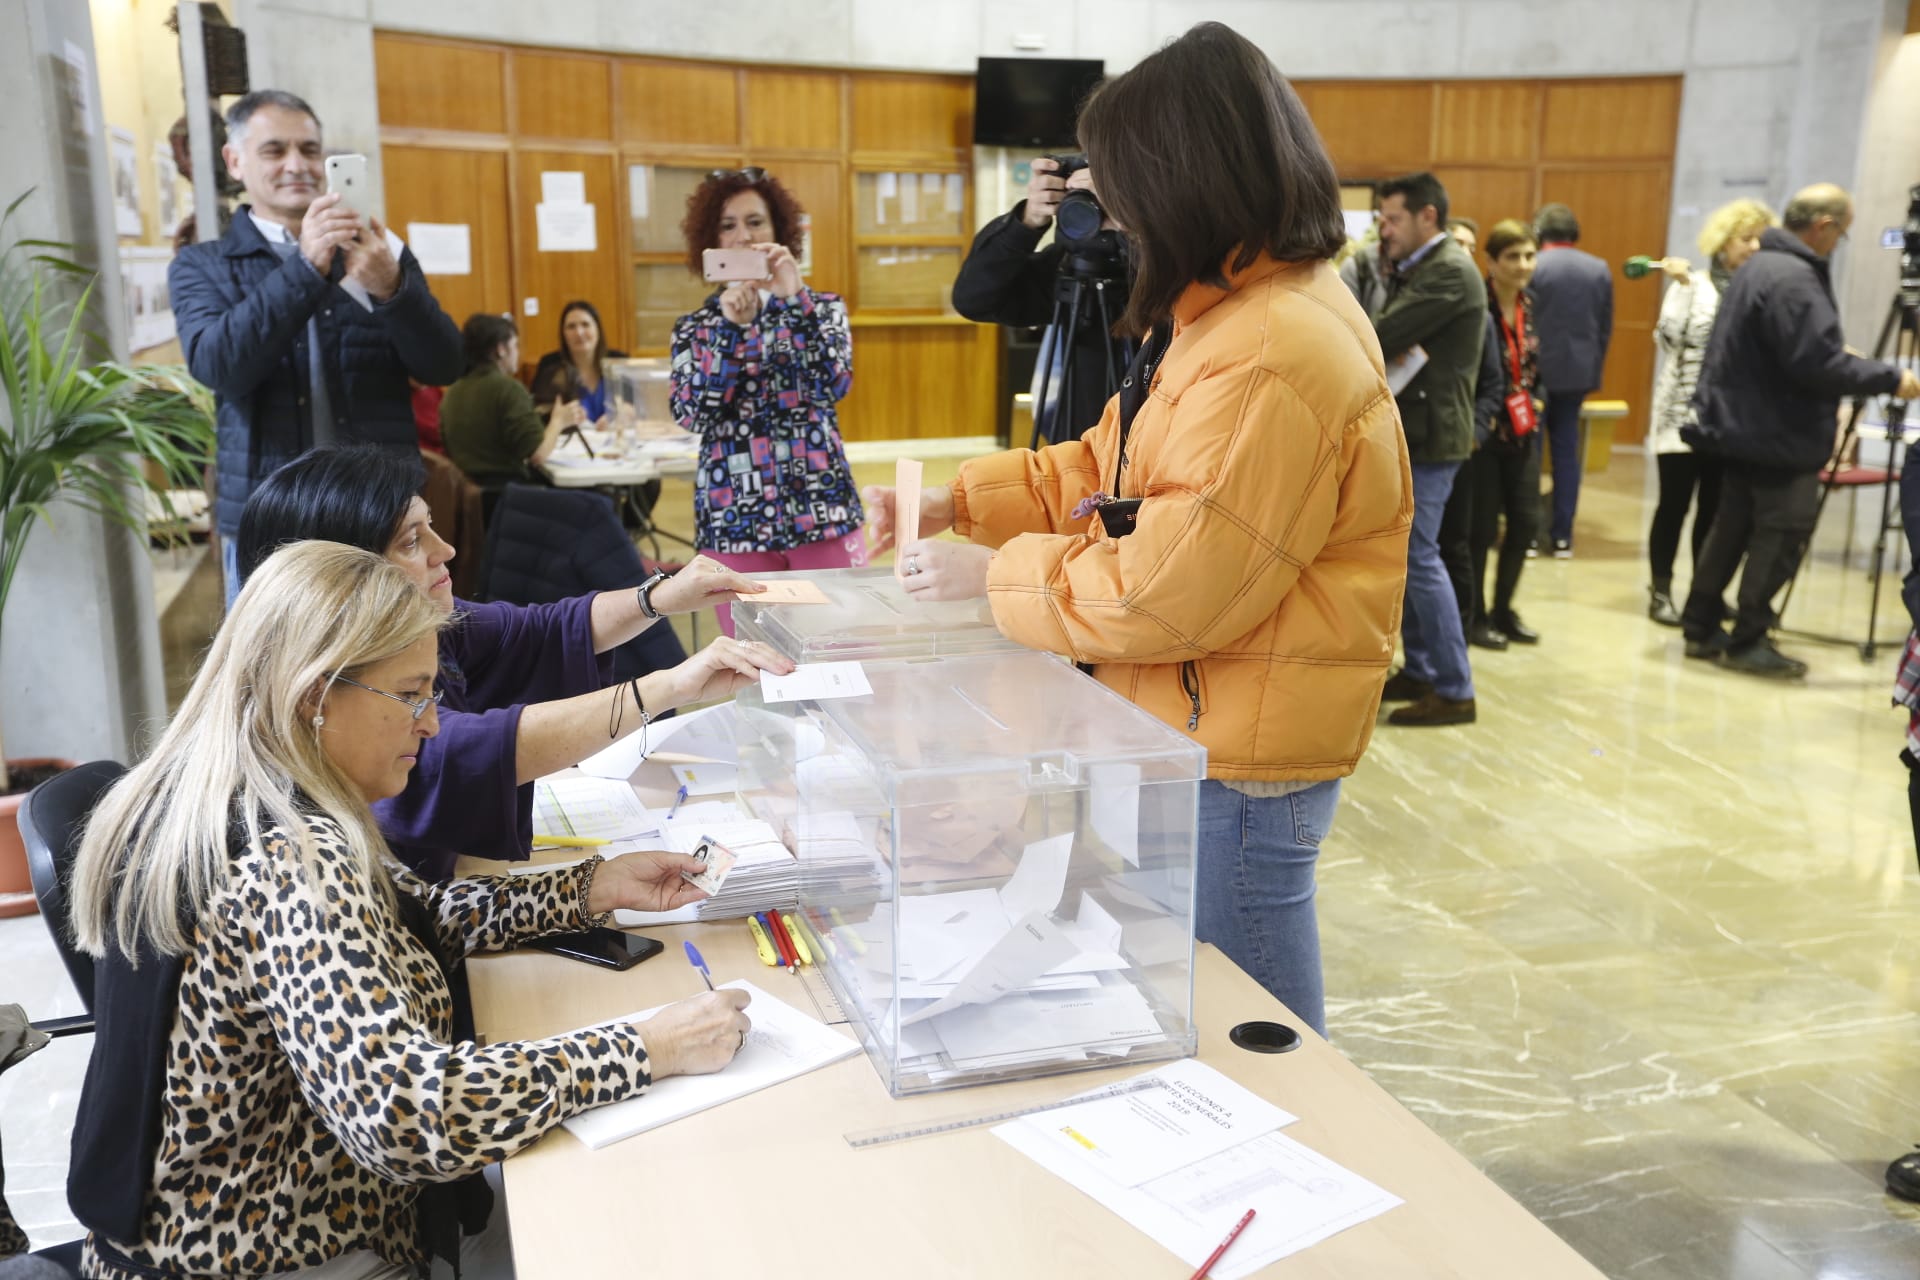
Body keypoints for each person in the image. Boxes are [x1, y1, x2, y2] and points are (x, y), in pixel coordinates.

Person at [861, 21, 1410, 1035]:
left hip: (1240, 752)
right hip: (1206, 721)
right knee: (1194, 996)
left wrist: (992, 576)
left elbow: (1162, 588)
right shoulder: (1229, 316)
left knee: (1255, 1034)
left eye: (1119, 191)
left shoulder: (1269, 349)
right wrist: (959, 503)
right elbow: (1108, 465)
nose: (1109, 219)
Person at [64, 541, 753, 1280]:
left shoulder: (231, 791)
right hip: (282, 1257)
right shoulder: (291, 864)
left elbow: (407, 917)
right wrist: (646, 1047)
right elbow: (410, 1112)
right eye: (413, 695)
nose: (430, 724)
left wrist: (590, 888)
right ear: (315, 697)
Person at [236, 446, 791, 880]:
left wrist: (660, 596)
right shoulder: (312, 829)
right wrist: (666, 687)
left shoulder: (423, 629)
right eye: (411, 542)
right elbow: (459, 753)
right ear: (335, 576)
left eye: (429, 526)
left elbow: (540, 629)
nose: (444, 550)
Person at [168, 89, 463, 606]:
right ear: (234, 161)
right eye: (274, 150)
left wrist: (393, 289)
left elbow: (444, 363)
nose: (296, 165)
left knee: (401, 670)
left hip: (382, 516)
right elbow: (219, 367)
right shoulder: (203, 265)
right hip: (269, 519)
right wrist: (305, 267)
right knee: (278, 678)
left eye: (309, 150)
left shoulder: (378, 251)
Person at [1679, 184, 1920, 677]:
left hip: (1745, 429)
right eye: (1842, 235)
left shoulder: (1759, 267)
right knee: (1782, 532)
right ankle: (1749, 638)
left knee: (1732, 528)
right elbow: (1815, 365)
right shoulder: (1793, 277)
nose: (1838, 244)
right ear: (1824, 227)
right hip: (1779, 435)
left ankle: (1700, 626)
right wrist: (1891, 377)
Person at [670, 168, 865, 633]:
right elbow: (692, 412)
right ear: (711, 240)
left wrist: (793, 299)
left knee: (841, 648)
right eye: (728, 225)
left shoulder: (821, 308)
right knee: (755, 661)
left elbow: (834, 382)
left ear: (780, 231)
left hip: (822, 509)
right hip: (733, 517)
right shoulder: (696, 328)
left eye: (756, 222)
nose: (743, 236)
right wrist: (732, 335)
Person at [1372, 172, 1486, 727]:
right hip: (1415, 433)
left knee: (1420, 558)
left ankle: (1454, 687)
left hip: (1432, 438)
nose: (1384, 229)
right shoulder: (1421, 268)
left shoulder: (1449, 274)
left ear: (1428, 217)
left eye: (1393, 218)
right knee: (1407, 557)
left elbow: (1380, 333)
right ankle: (1420, 668)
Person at [1644, 199, 1776, 625]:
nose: (1754, 246)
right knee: (1674, 506)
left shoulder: (1759, 291)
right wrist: (1680, 289)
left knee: (1716, 512)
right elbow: (1668, 341)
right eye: (1746, 238)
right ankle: (1660, 589)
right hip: (1681, 418)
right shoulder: (1692, 284)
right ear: (1722, 243)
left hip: (1728, 423)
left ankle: (1705, 593)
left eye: (1760, 238)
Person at [952, 156, 1134, 445]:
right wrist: (1027, 220)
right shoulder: (1069, 265)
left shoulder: (1182, 265)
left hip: (1158, 455)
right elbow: (973, 299)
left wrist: (1133, 225)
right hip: (1077, 447)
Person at [1470, 220, 1545, 646]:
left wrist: (1540, 399)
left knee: (1524, 525)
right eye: (1513, 256)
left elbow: (1535, 368)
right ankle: (1477, 616)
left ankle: (1504, 609)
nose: (1523, 265)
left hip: (1523, 433)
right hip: (1486, 437)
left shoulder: (1530, 306)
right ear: (1492, 262)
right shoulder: (1477, 305)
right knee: (1481, 530)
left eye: (1529, 256)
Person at [1529, 202, 1613, 557]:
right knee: (1566, 452)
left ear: (1540, 232)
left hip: (1534, 374)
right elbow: (1604, 327)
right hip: (1577, 373)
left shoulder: (1532, 265)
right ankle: (1563, 535)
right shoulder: (1598, 269)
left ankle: (1530, 535)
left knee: (1530, 454)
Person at [440, 312, 562, 501]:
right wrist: (558, 421)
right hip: (510, 500)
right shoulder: (508, 389)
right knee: (599, 506)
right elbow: (538, 455)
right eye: (515, 345)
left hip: (469, 501)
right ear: (501, 349)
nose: (518, 353)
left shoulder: (453, 393)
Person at [1439, 217, 1492, 646]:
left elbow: (1493, 383)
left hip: (1463, 443)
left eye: (1469, 245)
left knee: (1458, 543)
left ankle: (1466, 626)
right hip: (1431, 442)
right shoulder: (1433, 300)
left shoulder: (1479, 313)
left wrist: (1476, 431)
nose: (1463, 251)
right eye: (1456, 242)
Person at [530, 299, 627, 429]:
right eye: (571, 327)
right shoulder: (550, 366)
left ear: (598, 329)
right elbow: (539, 414)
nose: (579, 333)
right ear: (563, 334)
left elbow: (636, 406)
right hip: (568, 444)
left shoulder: (619, 361)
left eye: (585, 325)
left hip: (614, 441)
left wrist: (620, 416)